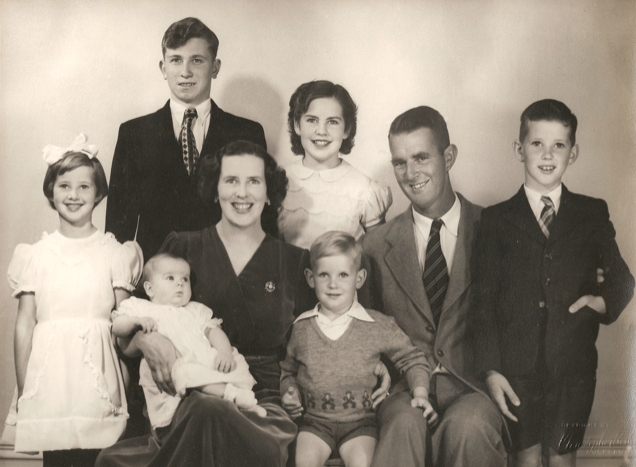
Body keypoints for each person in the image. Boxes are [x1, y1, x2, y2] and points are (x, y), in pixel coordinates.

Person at [97, 140, 314, 467]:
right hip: (186, 394)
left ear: (270, 193)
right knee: (205, 409)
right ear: (215, 190)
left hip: (260, 400)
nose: (242, 193)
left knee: (211, 412)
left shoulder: (296, 261)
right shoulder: (182, 246)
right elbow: (133, 329)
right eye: (231, 180)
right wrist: (147, 339)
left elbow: (319, 338)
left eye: (254, 181)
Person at [473, 99, 634, 467]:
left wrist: (595, 303)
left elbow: (622, 282)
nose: (547, 155)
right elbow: (483, 303)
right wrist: (492, 371)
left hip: (573, 367)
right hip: (516, 369)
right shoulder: (496, 220)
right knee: (525, 459)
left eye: (558, 145)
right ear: (519, 149)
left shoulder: (591, 213)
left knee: (563, 459)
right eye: (536, 144)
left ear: (572, 153)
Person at [360, 106, 507, 467]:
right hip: (404, 389)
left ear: (449, 156)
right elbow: (364, 331)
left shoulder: (496, 229)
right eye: (399, 162)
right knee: (403, 425)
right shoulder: (376, 245)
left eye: (421, 157)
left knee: (469, 428)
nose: (410, 174)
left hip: (474, 386)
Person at [9, 134, 142, 466]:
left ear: (98, 193)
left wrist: (123, 382)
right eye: (64, 185)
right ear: (50, 192)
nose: (73, 195)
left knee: (100, 459)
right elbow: (26, 323)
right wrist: (26, 387)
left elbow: (123, 322)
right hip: (50, 380)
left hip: (98, 381)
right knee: (58, 460)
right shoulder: (35, 255)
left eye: (84, 187)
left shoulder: (114, 252)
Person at [105, 17, 267, 261]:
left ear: (215, 67)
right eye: (176, 60)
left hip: (227, 280)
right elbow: (117, 230)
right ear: (163, 68)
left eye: (197, 60)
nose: (185, 72)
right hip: (155, 284)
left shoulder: (247, 132)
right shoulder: (134, 134)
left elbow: (261, 222)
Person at [281, 231, 435, 467]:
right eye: (324, 274)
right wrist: (289, 392)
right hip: (314, 423)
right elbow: (288, 370)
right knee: (303, 462)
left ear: (359, 278)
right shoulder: (301, 327)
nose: (333, 284)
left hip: (360, 425)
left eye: (343, 274)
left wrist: (421, 393)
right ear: (311, 278)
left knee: (363, 464)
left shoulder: (375, 324)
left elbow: (412, 358)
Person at [112, 252, 265, 433]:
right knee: (185, 373)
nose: (180, 283)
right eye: (170, 278)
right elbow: (117, 327)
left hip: (203, 363)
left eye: (185, 279)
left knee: (230, 363)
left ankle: (244, 404)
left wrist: (224, 352)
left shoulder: (195, 309)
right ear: (150, 289)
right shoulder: (141, 308)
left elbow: (214, 330)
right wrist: (136, 322)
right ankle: (232, 395)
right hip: (172, 371)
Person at [278, 80, 392, 249]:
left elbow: (378, 254)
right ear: (297, 125)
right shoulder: (280, 181)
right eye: (312, 120)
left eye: (332, 122)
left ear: (346, 129)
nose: (321, 131)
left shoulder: (363, 190)